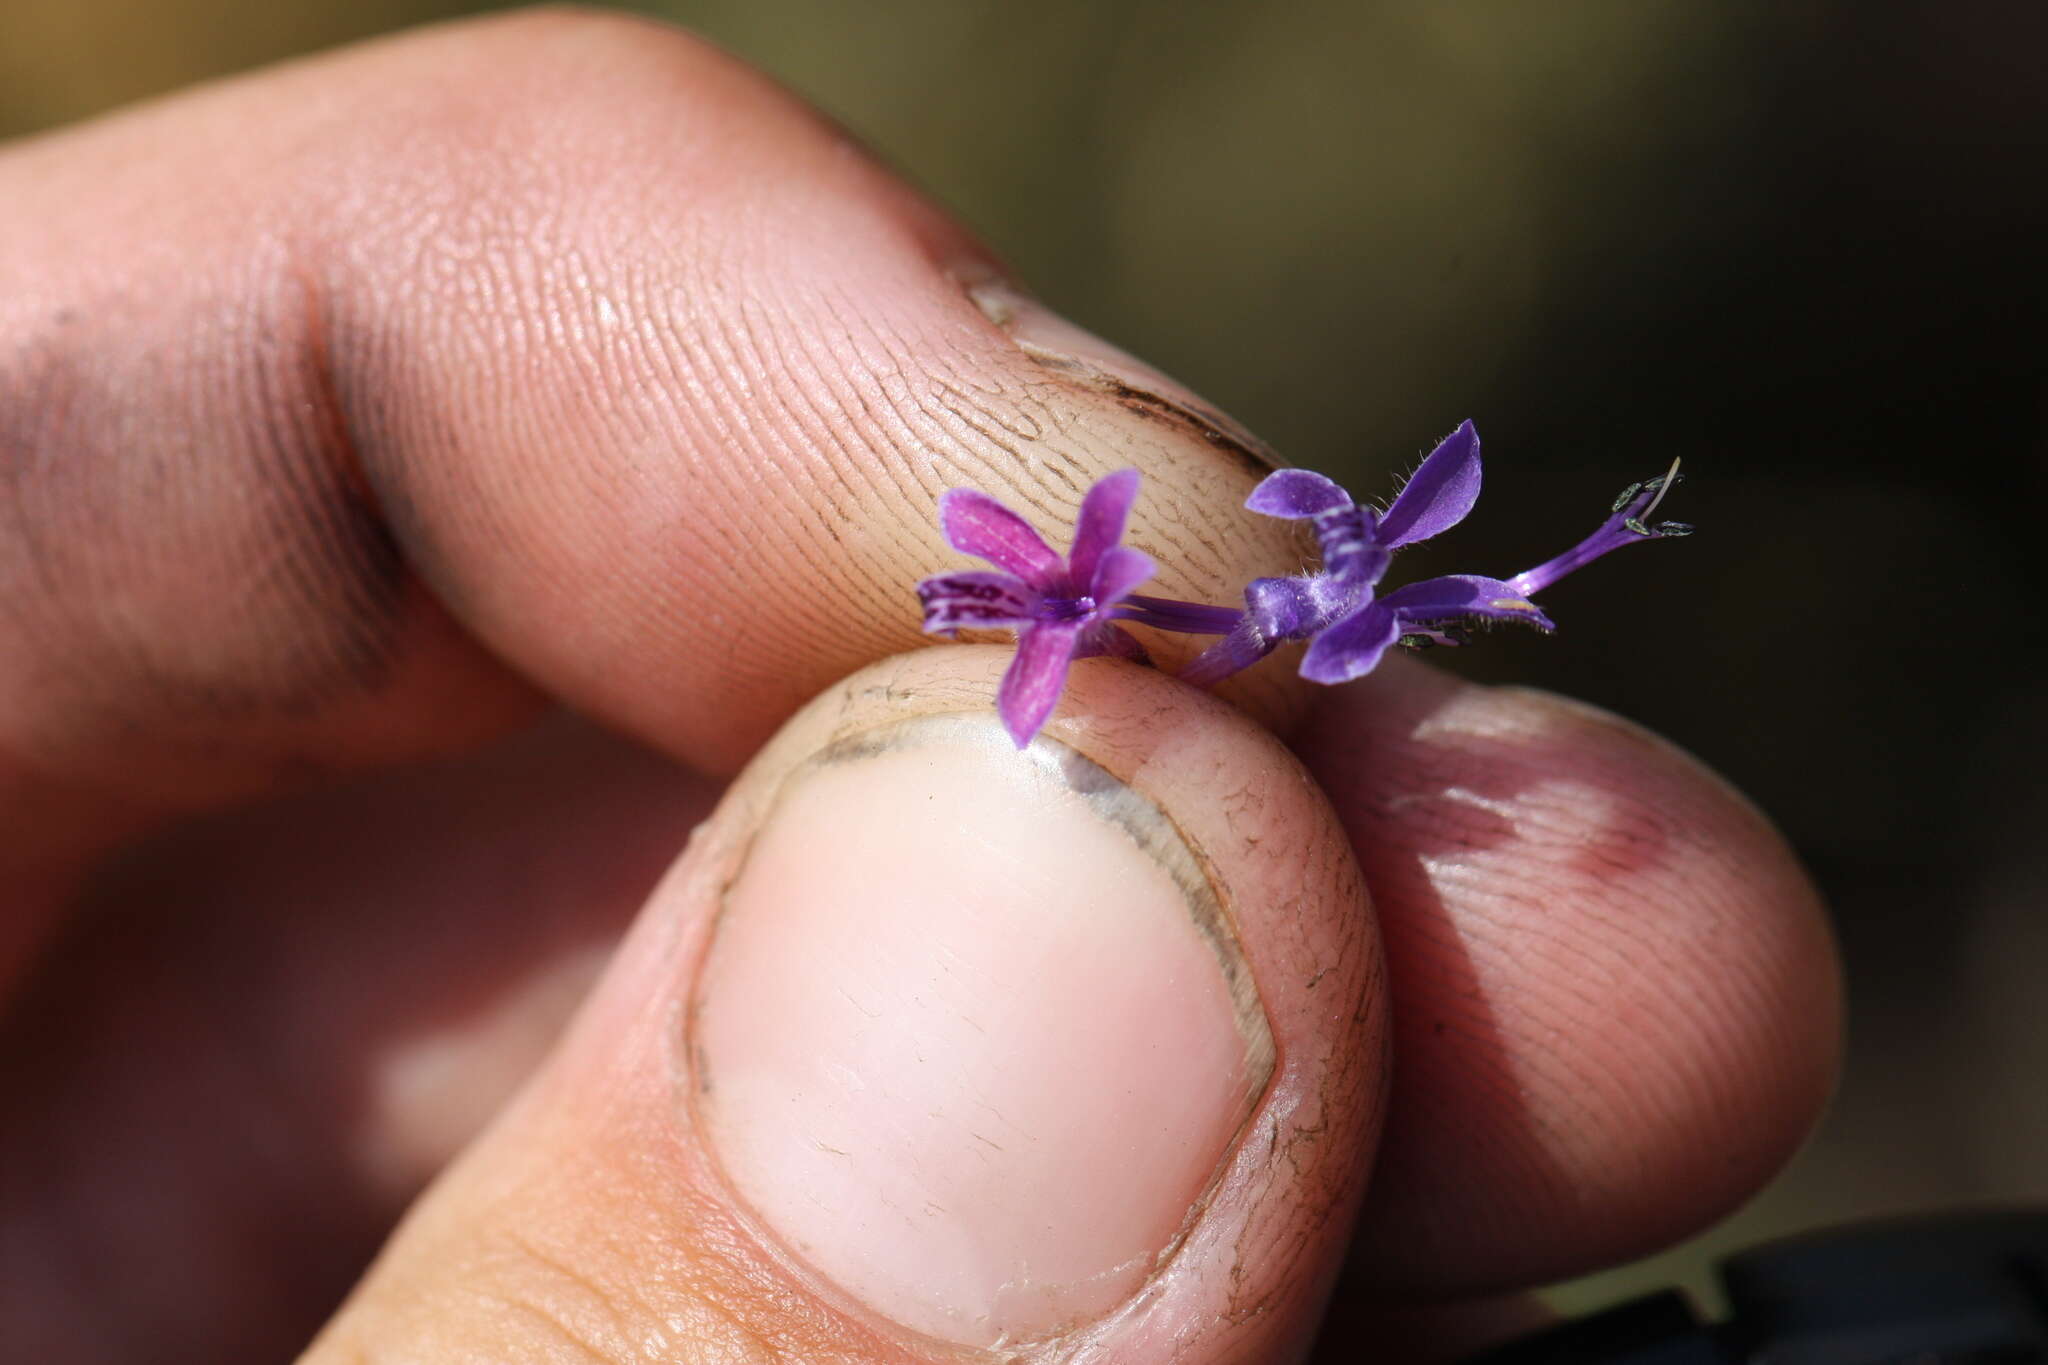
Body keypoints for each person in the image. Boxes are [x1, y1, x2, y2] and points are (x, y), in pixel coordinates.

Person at [0, 10, 1842, 1361]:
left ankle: (1540, 563)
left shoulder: (1150, 600)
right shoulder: (1087, 626)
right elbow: (1110, 607)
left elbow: (1174, 587)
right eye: (1040, 586)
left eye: (1049, 585)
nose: (1041, 589)